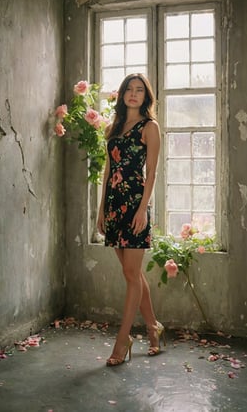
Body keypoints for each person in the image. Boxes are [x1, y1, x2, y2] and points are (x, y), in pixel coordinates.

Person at [97, 73, 166, 366]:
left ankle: (123, 339)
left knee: (131, 274)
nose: (134, 94)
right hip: (114, 207)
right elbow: (107, 170)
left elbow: (151, 173)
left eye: (139, 90)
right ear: (123, 95)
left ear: (146, 97)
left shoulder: (150, 127)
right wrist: (101, 210)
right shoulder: (114, 127)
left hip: (136, 207)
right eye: (129, 90)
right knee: (132, 274)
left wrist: (142, 209)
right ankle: (153, 327)